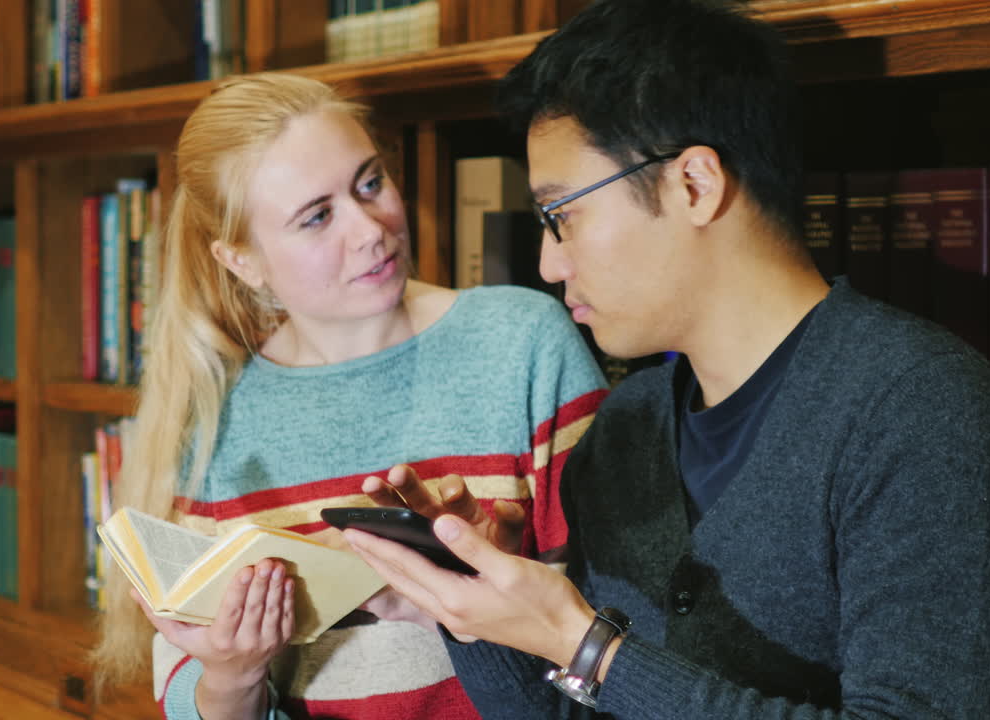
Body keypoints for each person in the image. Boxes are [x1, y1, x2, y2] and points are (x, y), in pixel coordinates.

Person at [342, 1, 990, 718]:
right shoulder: (630, 423)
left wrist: (582, 642)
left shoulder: (927, 412)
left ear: (694, 185)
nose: (549, 263)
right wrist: (477, 604)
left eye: (562, 215)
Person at [89, 72, 609, 720]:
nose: (370, 229)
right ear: (242, 261)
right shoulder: (217, 418)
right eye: (316, 217)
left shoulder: (524, 343)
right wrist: (234, 676)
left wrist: (496, 598)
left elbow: (623, 634)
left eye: (370, 183)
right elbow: (188, 693)